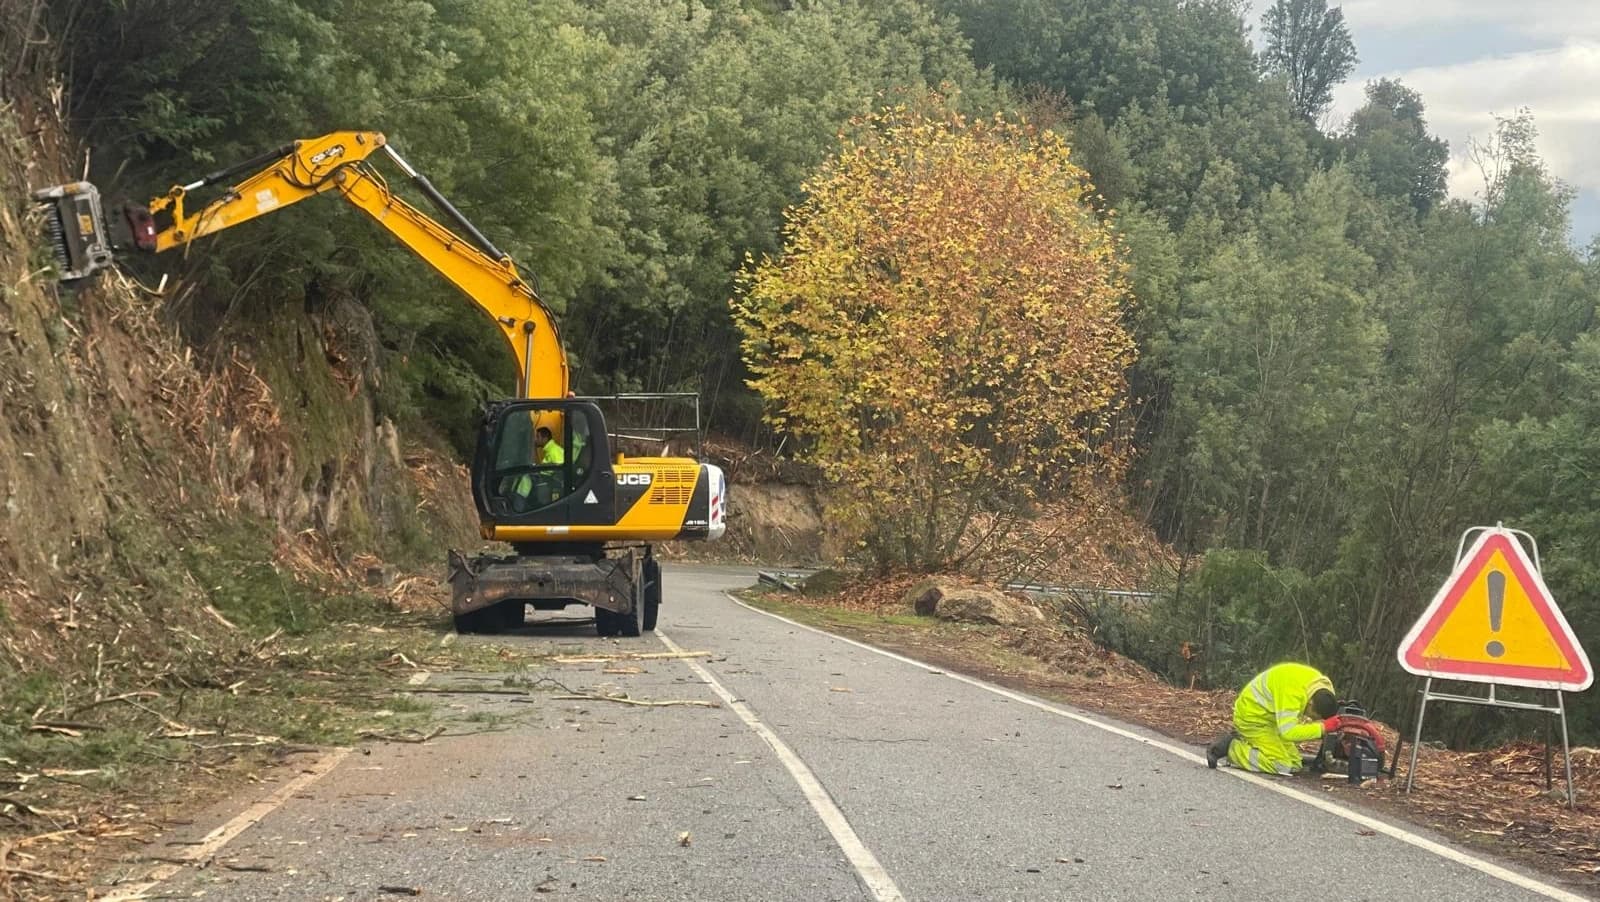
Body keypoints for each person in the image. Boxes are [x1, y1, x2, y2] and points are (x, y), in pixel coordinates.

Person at [1206, 662, 1340, 775]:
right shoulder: (1293, 693)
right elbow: (1288, 732)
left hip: (1270, 719)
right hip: (1252, 719)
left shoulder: (1322, 686)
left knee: (1294, 764)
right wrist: (1322, 728)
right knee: (1281, 765)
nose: (1310, 718)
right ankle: (1233, 749)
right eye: (1313, 716)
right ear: (1311, 703)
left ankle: (1249, 743)